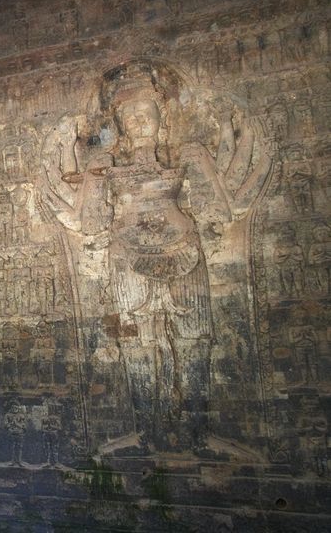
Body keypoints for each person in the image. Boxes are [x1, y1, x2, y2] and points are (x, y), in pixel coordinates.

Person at [42, 60, 270, 453]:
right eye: (129, 116)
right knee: (136, 343)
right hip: (127, 256)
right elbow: (92, 222)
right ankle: (146, 432)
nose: (138, 121)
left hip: (184, 251)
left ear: (161, 116)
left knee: (196, 339)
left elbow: (216, 209)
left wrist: (208, 162)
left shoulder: (188, 153)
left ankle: (200, 433)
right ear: (120, 123)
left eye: (145, 113)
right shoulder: (104, 164)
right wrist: (88, 169)